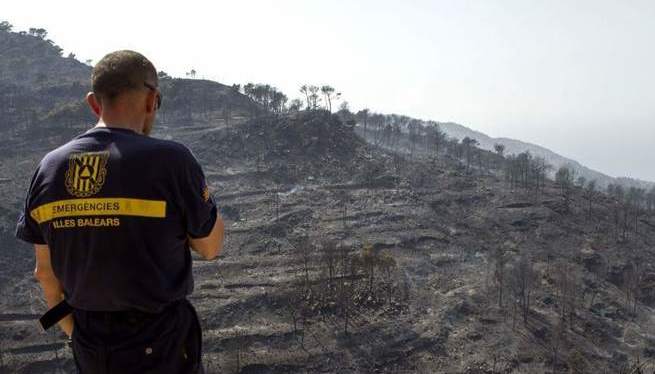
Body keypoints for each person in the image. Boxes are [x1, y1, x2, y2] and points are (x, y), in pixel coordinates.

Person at [15, 50, 224, 373]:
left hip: (91, 347)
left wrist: (82, 335)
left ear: (93, 102)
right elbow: (210, 247)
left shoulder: (48, 168)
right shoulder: (171, 161)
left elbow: (45, 274)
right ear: (152, 99)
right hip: (161, 345)